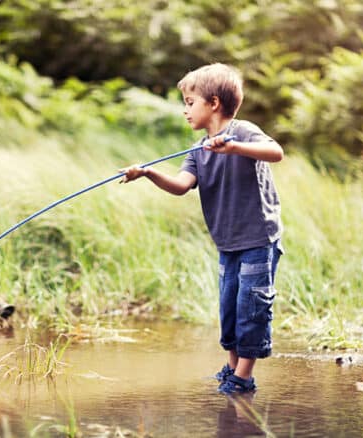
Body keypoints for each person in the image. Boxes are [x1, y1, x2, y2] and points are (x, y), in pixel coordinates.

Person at [120, 63, 284, 394]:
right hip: (226, 242)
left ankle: (243, 378)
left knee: (251, 308)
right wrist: (149, 173)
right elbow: (182, 185)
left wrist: (234, 147)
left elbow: (276, 152)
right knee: (229, 308)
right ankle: (232, 366)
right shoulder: (198, 151)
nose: (184, 110)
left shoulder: (243, 132)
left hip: (257, 239)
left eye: (189, 101)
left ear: (213, 103)